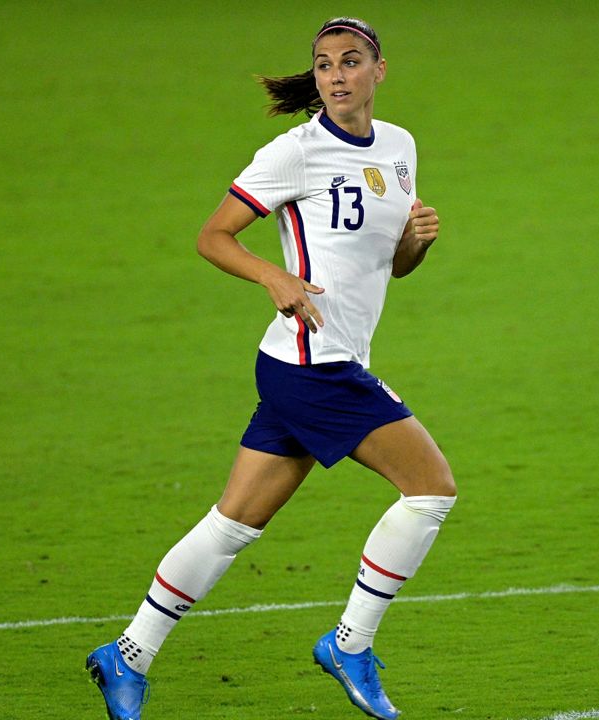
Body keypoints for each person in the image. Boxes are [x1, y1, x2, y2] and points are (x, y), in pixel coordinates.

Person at [86, 17, 457, 720]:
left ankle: (126, 655)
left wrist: (416, 242)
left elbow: (392, 267)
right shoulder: (296, 151)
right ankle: (351, 643)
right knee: (431, 490)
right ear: (315, 77)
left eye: (351, 62)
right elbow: (213, 235)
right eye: (323, 65)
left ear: (379, 71)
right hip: (314, 364)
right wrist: (272, 278)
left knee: (234, 523)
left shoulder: (401, 148)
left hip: (309, 361)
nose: (337, 75)